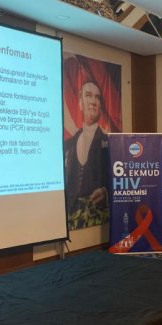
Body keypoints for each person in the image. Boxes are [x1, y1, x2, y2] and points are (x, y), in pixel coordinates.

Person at [64, 79, 109, 230]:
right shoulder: (68, 144)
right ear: (79, 103)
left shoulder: (109, 142)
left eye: (97, 97)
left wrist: (106, 192)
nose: (93, 101)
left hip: (99, 219)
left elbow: (119, 178)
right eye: (88, 95)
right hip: (70, 220)